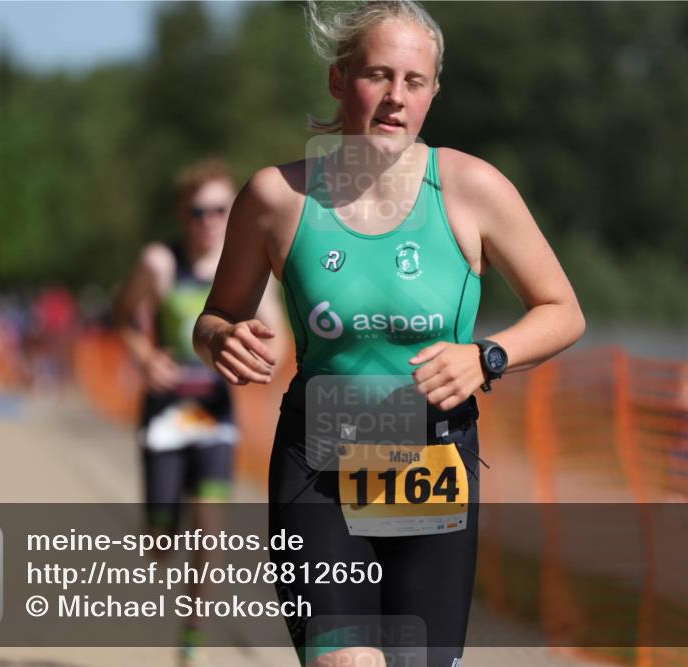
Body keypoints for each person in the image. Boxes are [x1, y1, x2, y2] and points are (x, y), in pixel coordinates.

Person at [192, 2, 585, 666]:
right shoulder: (275, 198)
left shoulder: (471, 189)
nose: (397, 98)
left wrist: (486, 356)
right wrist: (222, 338)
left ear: (433, 91)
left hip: (432, 461)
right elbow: (212, 320)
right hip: (317, 465)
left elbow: (563, 309)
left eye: (416, 81)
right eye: (379, 74)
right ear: (339, 80)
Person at [114, 158, 286, 666]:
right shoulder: (158, 263)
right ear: (182, 215)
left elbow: (276, 335)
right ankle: (165, 528)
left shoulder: (251, 270)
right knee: (162, 540)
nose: (211, 220)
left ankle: (193, 635)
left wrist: (258, 349)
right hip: (166, 413)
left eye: (221, 210)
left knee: (210, 535)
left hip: (214, 414)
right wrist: (146, 357)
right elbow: (123, 314)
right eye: (199, 211)